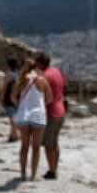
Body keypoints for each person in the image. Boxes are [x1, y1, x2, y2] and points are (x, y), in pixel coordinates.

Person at [12, 58, 54, 180]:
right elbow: (50, 98)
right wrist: (40, 103)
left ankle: (22, 173)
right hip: (38, 115)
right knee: (36, 147)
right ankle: (33, 175)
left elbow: (13, 97)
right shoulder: (42, 80)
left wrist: (20, 105)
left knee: (24, 146)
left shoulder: (21, 81)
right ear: (37, 68)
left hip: (23, 114)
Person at [38, 52, 67, 180]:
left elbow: (41, 96)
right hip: (61, 110)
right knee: (55, 142)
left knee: (48, 144)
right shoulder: (57, 71)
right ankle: (55, 168)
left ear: (40, 63)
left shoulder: (44, 76)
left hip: (50, 112)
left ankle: (52, 171)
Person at [1, 59, 20, 143]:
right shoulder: (18, 75)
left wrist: (1, 97)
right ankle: (12, 134)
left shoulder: (9, 75)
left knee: (11, 118)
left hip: (9, 98)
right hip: (17, 97)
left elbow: (5, 87)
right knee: (14, 116)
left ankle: (14, 135)